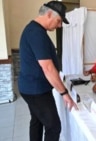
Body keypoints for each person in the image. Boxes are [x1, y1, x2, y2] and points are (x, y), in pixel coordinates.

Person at [18, 1, 78, 141]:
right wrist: (64, 93)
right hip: (36, 90)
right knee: (53, 126)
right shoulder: (36, 33)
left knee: (37, 121)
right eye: (58, 21)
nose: (59, 25)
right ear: (49, 14)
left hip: (31, 87)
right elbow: (48, 68)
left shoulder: (34, 30)